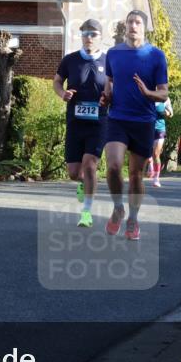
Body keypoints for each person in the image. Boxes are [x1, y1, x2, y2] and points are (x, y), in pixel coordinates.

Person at [99, 10, 168, 239]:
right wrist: (106, 97)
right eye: (130, 22)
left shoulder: (156, 55)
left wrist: (148, 93)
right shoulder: (113, 53)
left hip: (144, 121)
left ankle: (133, 219)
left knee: (136, 174)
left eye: (138, 22)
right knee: (113, 166)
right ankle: (118, 207)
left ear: (144, 27)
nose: (133, 26)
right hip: (117, 118)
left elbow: (164, 93)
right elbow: (109, 83)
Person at [54, 19, 107, 227]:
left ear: (100, 37)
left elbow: (115, 86)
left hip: (99, 122)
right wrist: (62, 93)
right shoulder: (70, 60)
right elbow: (57, 81)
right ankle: (83, 184)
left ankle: (86, 212)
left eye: (93, 34)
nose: (88, 37)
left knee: (90, 165)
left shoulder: (108, 62)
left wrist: (108, 97)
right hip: (75, 122)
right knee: (74, 173)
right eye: (85, 33)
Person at [146, 96, 173, 188]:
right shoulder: (146, 95)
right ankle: (150, 163)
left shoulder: (165, 98)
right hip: (147, 128)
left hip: (160, 129)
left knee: (156, 154)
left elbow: (171, 113)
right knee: (147, 151)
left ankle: (156, 178)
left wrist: (166, 113)